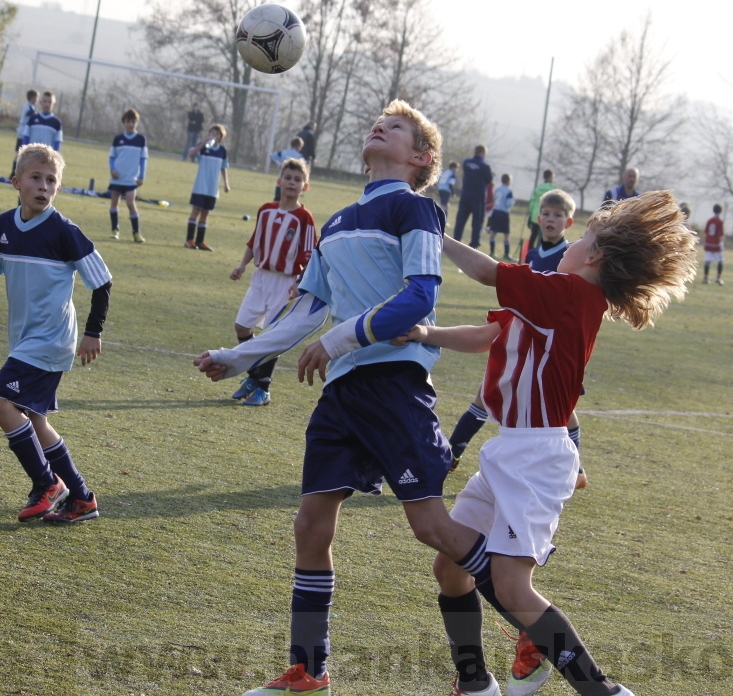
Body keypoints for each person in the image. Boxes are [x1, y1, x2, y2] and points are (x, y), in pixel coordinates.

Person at [194, 101, 504, 696]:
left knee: (432, 528)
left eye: (399, 127)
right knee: (311, 526)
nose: (380, 127)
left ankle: (508, 637)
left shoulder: (415, 208)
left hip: (393, 386)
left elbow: (418, 300)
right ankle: (309, 669)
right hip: (340, 395)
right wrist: (239, 356)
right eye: (379, 121)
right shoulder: (335, 222)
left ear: (421, 158)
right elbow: (306, 311)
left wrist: (341, 339)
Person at [403, 190, 697, 696]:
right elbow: (488, 335)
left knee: (514, 587)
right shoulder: (552, 299)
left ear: (597, 255)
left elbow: (488, 272)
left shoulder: (571, 294)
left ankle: (601, 690)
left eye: (584, 236)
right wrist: (423, 333)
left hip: (536, 457)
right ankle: (475, 683)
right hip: (511, 449)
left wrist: (433, 233)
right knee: (450, 568)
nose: (574, 240)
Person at [0, 143, 113, 524]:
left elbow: (102, 282)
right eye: (35, 178)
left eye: (51, 180)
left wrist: (93, 332)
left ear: (58, 188)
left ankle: (46, 484)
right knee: (34, 419)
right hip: (25, 338)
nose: (43, 186)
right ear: (16, 181)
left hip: (52, 338)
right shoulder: (4, 226)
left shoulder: (64, 232)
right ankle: (82, 498)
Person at [447, 187, 588, 492]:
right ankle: (452, 453)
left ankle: (575, 467)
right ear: (538, 218)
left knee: (563, 410)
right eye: (547, 214)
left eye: (558, 215)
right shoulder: (533, 252)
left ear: (569, 222)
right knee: (486, 393)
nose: (551, 220)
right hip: (520, 332)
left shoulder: (570, 256)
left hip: (548, 344)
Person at [228, 158, 316, 407]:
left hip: (285, 281)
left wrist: (300, 282)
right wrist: (242, 265)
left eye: (297, 179)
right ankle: (254, 377)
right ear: (279, 181)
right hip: (261, 278)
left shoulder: (304, 217)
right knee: (242, 327)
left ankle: (263, 388)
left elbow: (311, 254)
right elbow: (254, 240)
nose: (292, 182)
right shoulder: (266, 210)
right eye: (288, 177)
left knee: (273, 334)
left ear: (305, 186)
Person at [185, 123, 231, 251]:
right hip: (200, 187)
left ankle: (200, 241)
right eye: (211, 133)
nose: (213, 136)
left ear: (221, 137)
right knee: (195, 212)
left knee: (205, 214)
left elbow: (224, 167)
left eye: (216, 134)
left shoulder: (222, 151)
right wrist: (202, 144)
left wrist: (226, 184)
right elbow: (191, 154)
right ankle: (189, 240)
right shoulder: (203, 148)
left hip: (212, 189)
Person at [108, 108, 148, 243]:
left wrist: (142, 176)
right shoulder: (118, 139)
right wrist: (112, 169)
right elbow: (112, 157)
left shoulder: (141, 139)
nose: (130, 124)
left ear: (137, 123)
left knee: (131, 203)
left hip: (131, 178)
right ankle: (115, 230)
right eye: (128, 121)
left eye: (133, 121)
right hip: (117, 177)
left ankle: (136, 233)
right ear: (124, 122)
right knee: (114, 203)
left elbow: (143, 159)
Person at [453, 144, 492, 248]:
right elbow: (489, 179)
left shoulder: (466, 162)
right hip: (478, 197)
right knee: (477, 222)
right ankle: (474, 243)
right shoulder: (485, 166)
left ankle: (456, 240)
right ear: (483, 153)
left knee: (460, 219)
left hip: (465, 195)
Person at [487, 172, 516, 259]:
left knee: (493, 233)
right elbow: (509, 203)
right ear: (509, 181)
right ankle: (506, 254)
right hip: (504, 213)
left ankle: (492, 252)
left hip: (496, 212)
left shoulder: (497, 189)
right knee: (506, 234)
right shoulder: (509, 191)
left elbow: (493, 199)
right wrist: (514, 201)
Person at [11, 89, 38, 177]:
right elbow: (31, 116)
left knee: (24, 153)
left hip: (26, 133)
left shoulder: (31, 107)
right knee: (20, 153)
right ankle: (13, 172)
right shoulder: (28, 108)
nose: (37, 100)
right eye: (36, 97)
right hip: (23, 133)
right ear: (32, 98)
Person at [269, 136, 305, 201]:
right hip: (293, 181)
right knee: (289, 200)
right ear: (299, 146)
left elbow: (272, 156)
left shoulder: (283, 152)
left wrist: (279, 165)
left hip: (282, 177)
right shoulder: (299, 156)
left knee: (277, 198)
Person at [526, 169, 556, 249]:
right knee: (543, 237)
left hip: (535, 215)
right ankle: (540, 254)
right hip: (546, 216)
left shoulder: (538, 188)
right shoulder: (553, 189)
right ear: (550, 177)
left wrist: (530, 215)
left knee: (533, 236)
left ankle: (529, 254)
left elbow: (532, 202)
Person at [702, 204, 725, 285]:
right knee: (720, 261)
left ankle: (705, 278)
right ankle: (718, 278)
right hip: (716, 244)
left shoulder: (709, 221)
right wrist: (721, 244)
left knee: (707, 261)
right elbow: (721, 234)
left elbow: (706, 232)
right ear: (721, 211)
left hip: (708, 243)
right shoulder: (720, 222)